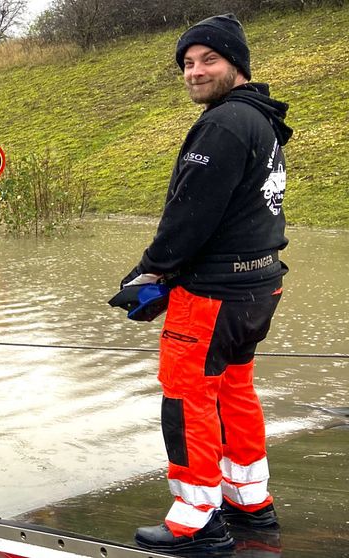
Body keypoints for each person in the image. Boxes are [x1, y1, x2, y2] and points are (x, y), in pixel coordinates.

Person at [117, 14, 293, 554]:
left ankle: (196, 519)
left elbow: (188, 215)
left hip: (213, 296)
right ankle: (249, 502)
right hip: (260, 288)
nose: (194, 72)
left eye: (207, 60)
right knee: (234, 390)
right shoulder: (261, 120)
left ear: (235, 65)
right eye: (187, 64)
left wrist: (149, 272)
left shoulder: (221, 125)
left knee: (187, 397)